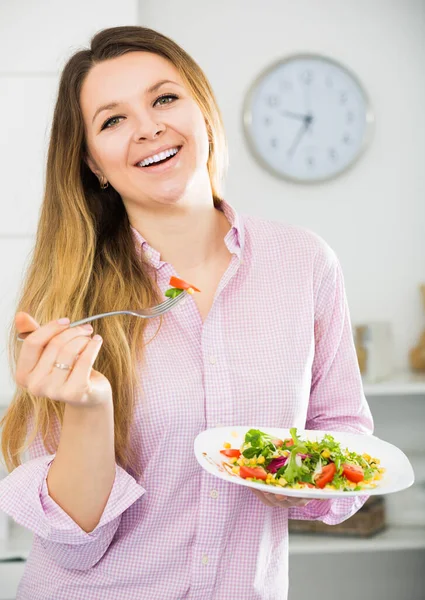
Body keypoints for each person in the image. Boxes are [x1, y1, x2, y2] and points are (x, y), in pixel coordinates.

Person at [0, 25, 373, 600]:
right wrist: (89, 409)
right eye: (112, 119)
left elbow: (345, 433)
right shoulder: (67, 301)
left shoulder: (304, 262)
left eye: (164, 98)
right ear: (93, 163)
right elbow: (77, 547)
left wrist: (302, 483)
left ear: (203, 109)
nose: (148, 127)